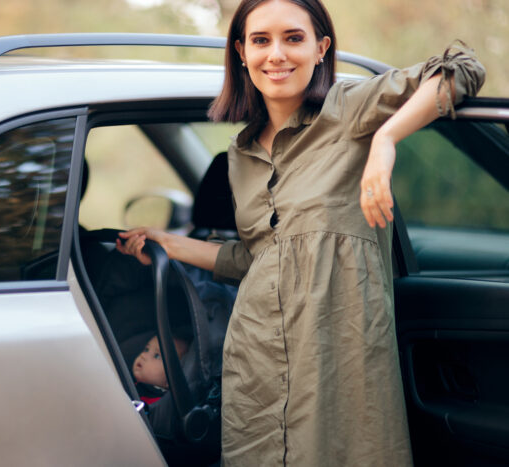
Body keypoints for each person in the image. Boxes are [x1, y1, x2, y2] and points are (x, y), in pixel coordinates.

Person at [116, 0, 485, 464]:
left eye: (294, 38)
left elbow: (463, 69)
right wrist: (170, 243)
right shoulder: (240, 152)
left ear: (320, 48)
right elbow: (259, 260)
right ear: (241, 52)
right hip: (255, 364)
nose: (277, 54)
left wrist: (386, 140)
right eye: (260, 40)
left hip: (337, 355)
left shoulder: (350, 110)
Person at [133, 335, 190, 405]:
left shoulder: (158, 405)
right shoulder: (129, 382)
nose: (143, 355)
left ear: (171, 379)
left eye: (157, 356)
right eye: (146, 349)